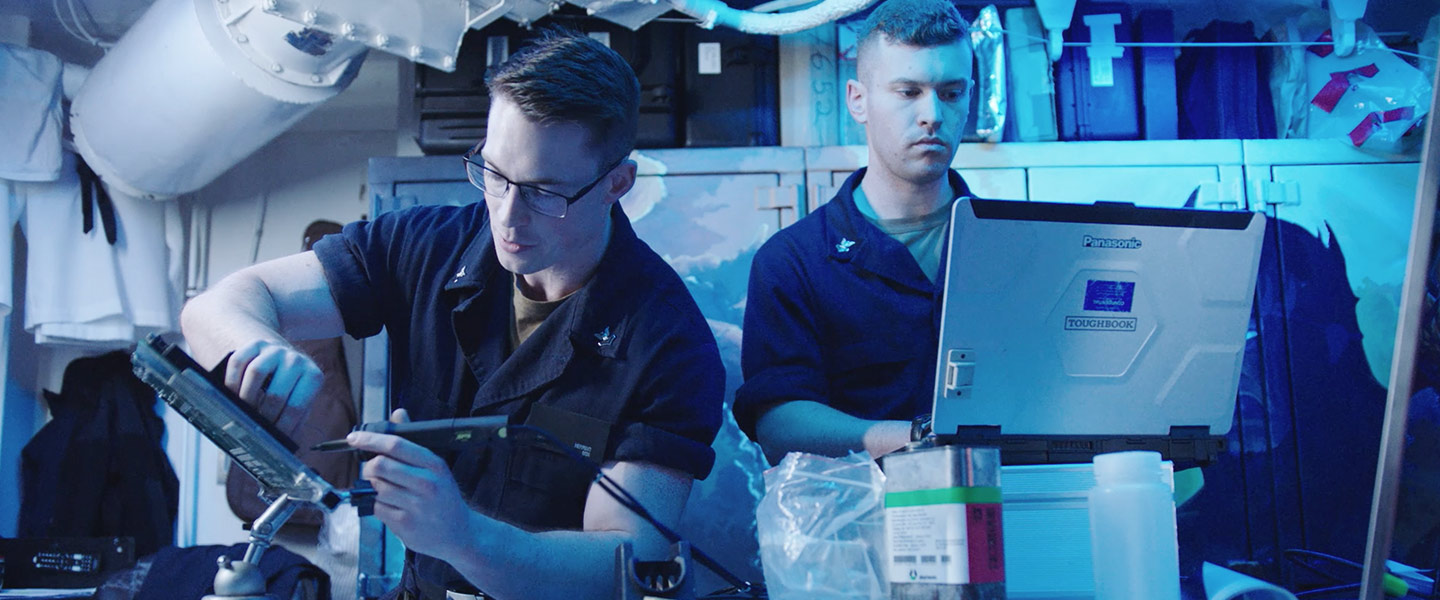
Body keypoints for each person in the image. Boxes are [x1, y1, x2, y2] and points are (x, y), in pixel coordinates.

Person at [180, 31, 724, 600]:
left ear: (617, 183)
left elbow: (625, 565)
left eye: (544, 192)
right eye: (494, 174)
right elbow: (220, 304)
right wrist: (255, 346)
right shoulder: (424, 246)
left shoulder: (669, 341)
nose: (508, 218)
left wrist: (464, 537)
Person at [734, 0, 974, 464]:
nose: (933, 115)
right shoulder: (794, 262)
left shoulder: (1015, 246)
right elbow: (779, 423)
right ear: (857, 100)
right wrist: (924, 439)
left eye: (951, 92)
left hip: (1007, 511)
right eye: (908, 92)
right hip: (860, 525)